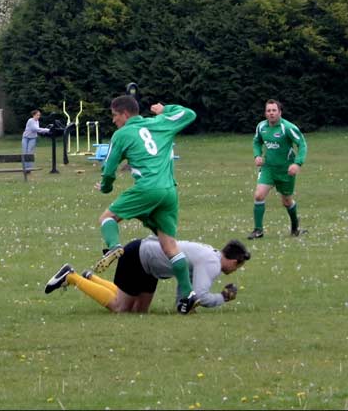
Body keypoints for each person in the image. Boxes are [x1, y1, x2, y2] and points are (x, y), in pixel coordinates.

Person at [94, 96, 200, 314]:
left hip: (147, 188)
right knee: (169, 246)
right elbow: (190, 114)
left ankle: (114, 247)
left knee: (107, 218)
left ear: (125, 114)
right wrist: (165, 110)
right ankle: (188, 293)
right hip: (169, 192)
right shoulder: (160, 122)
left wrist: (105, 187)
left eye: (114, 115)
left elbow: (109, 168)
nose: (113, 120)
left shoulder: (121, 134)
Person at [44, 237, 250, 313]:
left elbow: (186, 285)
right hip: (137, 256)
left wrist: (184, 305)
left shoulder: (210, 255)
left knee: (139, 311)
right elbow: (202, 296)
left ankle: (92, 278)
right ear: (235, 262)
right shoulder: (212, 263)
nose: (235, 270)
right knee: (121, 308)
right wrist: (222, 298)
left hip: (151, 267)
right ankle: (71, 277)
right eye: (238, 267)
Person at [249, 99, 308, 239]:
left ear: (280, 112)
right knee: (259, 195)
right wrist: (257, 155)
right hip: (268, 168)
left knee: (287, 201)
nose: (271, 113)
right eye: (268, 110)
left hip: (286, 170)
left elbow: (302, 144)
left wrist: (297, 163)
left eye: (274, 110)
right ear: (265, 113)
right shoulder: (261, 127)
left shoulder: (287, 128)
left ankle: (295, 228)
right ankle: (258, 230)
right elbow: (257, 142)